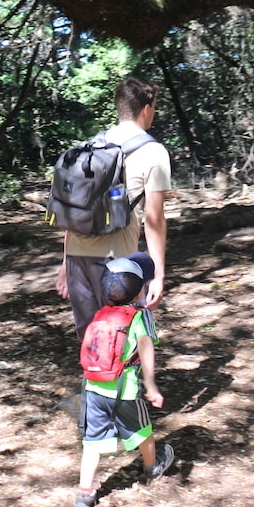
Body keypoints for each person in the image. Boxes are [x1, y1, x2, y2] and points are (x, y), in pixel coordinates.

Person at [55, 75, 172, 339]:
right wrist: (158, 275)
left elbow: (77, 208)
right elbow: (154, 220)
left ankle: (93, 382)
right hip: (118, 262)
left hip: (77, 259)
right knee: (125, 340)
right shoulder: (154, 152)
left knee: (91, 343)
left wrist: (65, 264)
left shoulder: (91, 146)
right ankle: (128, 383)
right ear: (147, 108)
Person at [74, 254, 174, 507]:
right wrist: (151, 386)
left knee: (92, 442)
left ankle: (84, 492)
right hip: (125, 391)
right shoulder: (140, 317)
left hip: (93, 387)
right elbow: (146, 351)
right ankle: (153, 467)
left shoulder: (100, 315)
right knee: (143, 430)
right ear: (140, 289)